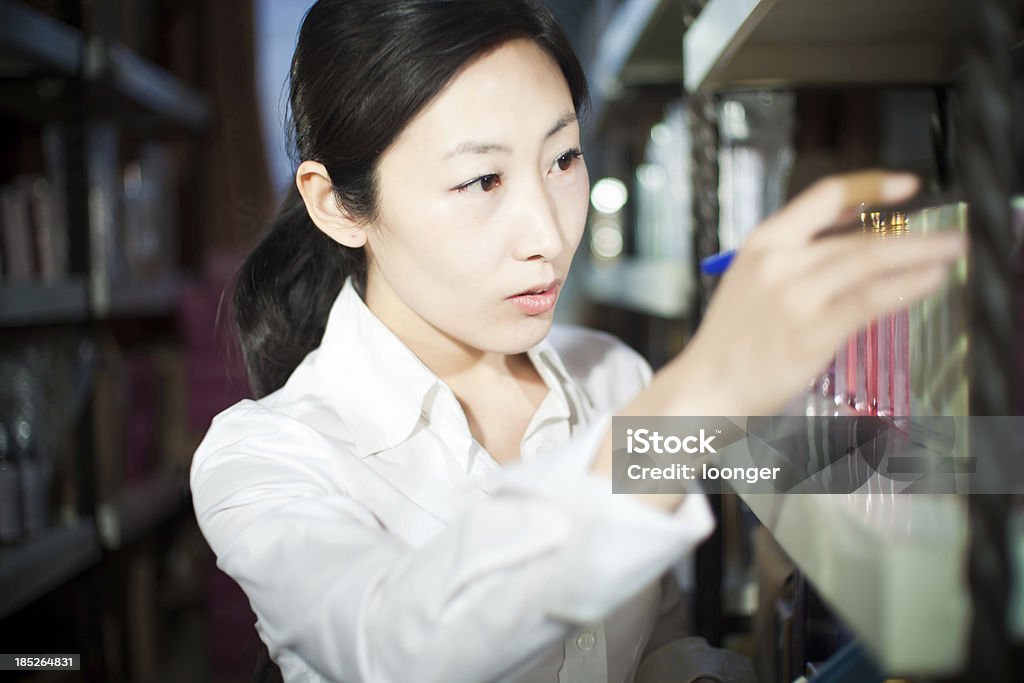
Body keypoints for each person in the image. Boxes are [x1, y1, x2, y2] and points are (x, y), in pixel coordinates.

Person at [189, 1, 967, 682]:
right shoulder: (264, 457)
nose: (551, 235)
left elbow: (648, 636)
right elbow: (393, 647)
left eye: (562, 158)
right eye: (482, 181)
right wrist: (700, 392)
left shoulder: (613, 378)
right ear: (336, 206)